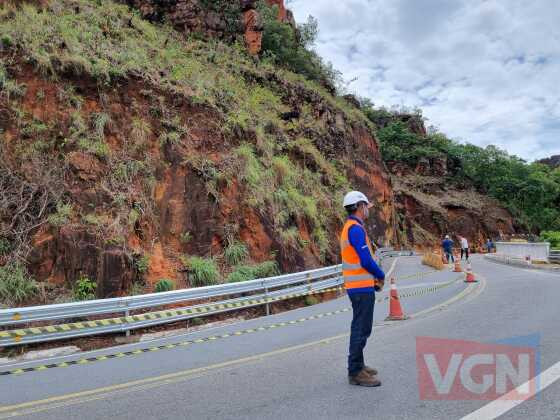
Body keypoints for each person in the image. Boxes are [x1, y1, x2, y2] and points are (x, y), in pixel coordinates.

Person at [340, 191, 385, 387]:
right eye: (366, 206)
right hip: (360, 288)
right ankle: (355, 371)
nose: (368, 210)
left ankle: (359, 364)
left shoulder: (352, 227)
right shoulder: (355, 229)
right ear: (359, 206)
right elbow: (365, 260)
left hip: (359, 286)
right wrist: (380, 274)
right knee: (361, 328)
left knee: (361, 327)